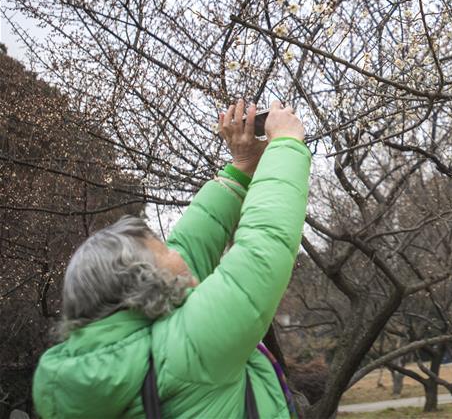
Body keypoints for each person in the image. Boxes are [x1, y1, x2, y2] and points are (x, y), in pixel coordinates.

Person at [32, 100, 311, 418]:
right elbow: (263, 247)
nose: (175, 251)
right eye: (163, 250)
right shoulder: (188, 349)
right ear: (146, 284)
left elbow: (191, 247)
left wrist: (241, 168)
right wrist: (286, 144)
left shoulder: (83, 372)